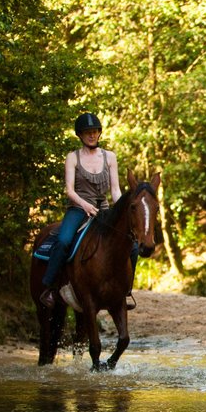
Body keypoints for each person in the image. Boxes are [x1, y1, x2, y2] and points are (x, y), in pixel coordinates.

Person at [40, 113, 137, 310]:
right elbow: (69, 190)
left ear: (99, 133)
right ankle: (49, 287)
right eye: (87, 133)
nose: (91, 135)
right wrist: (85, 205)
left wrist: (121, 211)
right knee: (63, 240)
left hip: (104, 210)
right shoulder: (72, 157)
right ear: (80, 135)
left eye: (94, 132)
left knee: (132, 245)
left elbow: (115, 189)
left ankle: (125, 290)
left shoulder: (110, 157)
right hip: (78, 209)